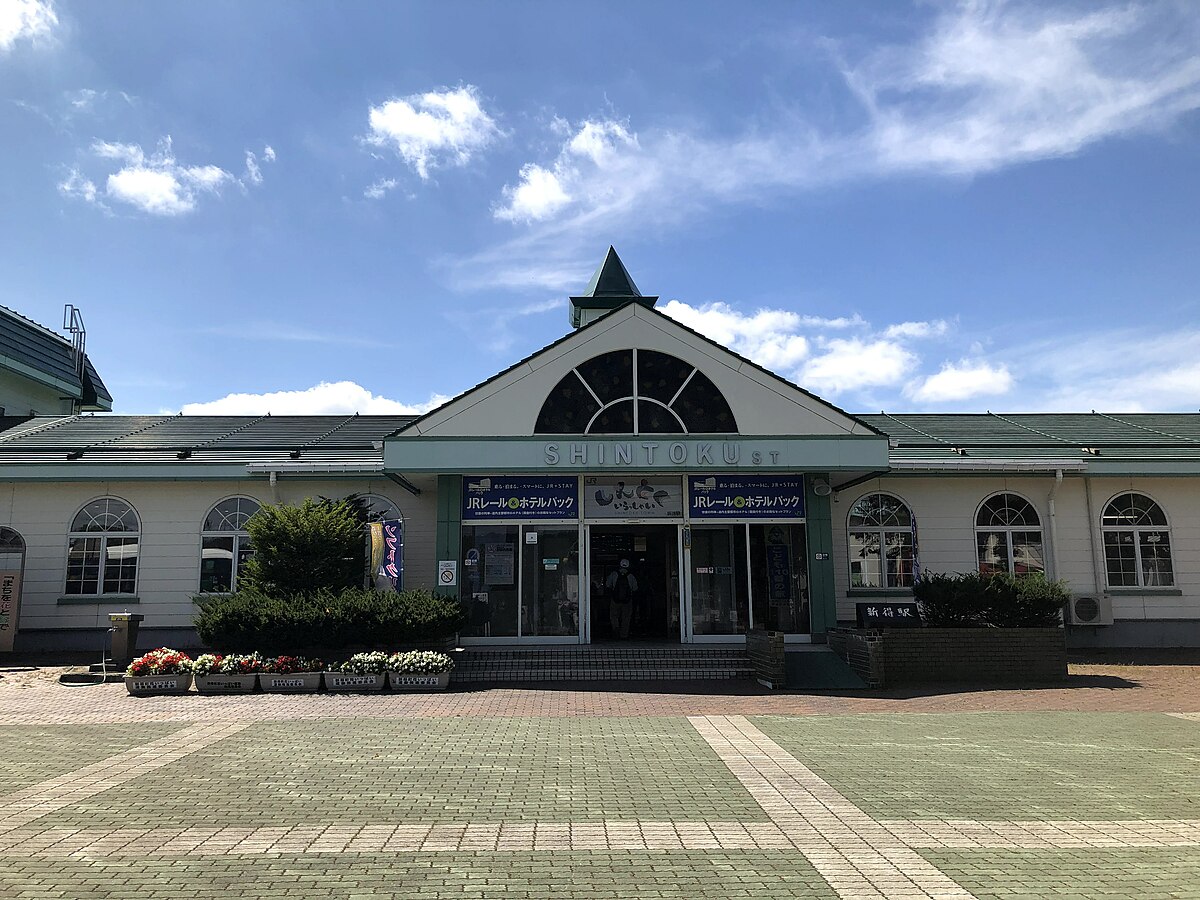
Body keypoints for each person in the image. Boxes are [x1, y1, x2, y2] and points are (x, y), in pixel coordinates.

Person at [606, 558, 638, 639]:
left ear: (619, 565)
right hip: (627, 601)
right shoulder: (631, 576)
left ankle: (616, 628)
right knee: (626, 617)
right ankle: (624, 635)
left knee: (613, 615)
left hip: (615, 600)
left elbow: (607, 585)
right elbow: (635, 588)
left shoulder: (614, 574)